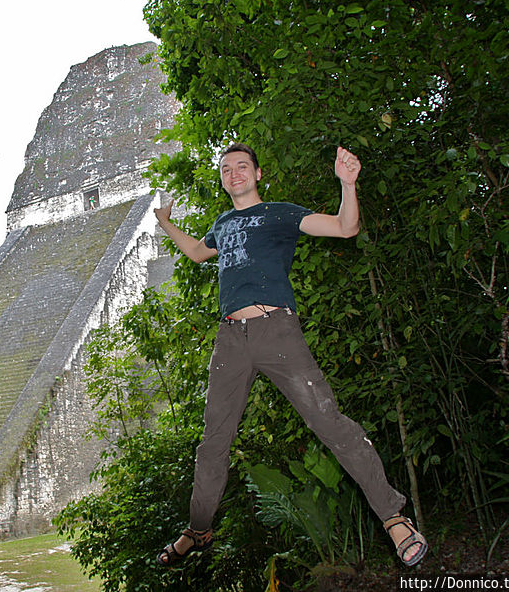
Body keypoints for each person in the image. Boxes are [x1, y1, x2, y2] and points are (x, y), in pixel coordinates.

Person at [152, 143, 427, 568]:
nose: (234, 173)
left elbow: (344, 227)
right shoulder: (222, 224)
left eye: (242, 166)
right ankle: (198, 528)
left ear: (258, 173)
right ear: (222, 179)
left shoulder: (279, 213)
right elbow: (196, 252)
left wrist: (348, 185)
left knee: (329, 422)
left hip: (276, 330)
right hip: (230, 340)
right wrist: (166, 223)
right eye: (226, 169)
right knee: (213, 443)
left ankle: (392, 517)